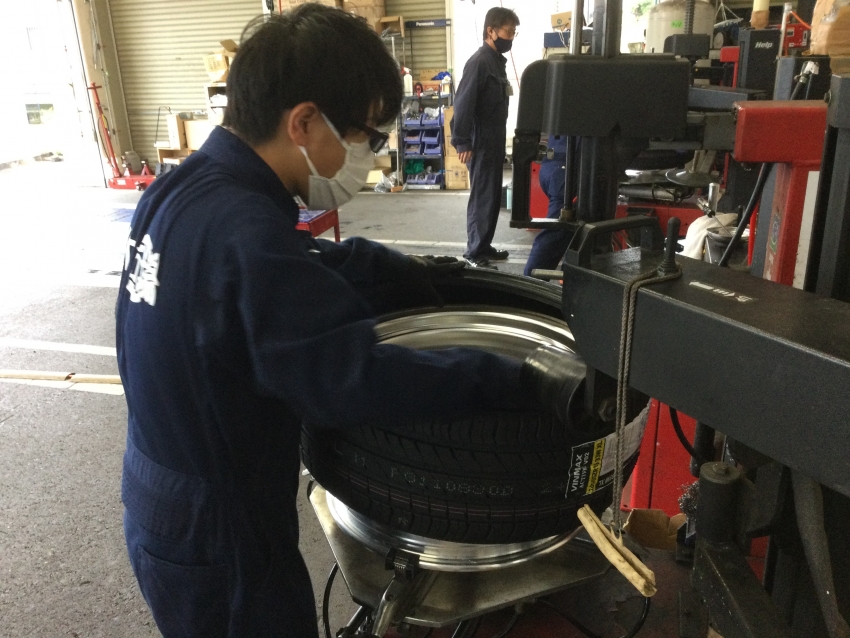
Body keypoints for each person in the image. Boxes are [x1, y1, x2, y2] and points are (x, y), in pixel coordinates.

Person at [116, 5, 579, 637]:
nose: (368, 155)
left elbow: (299, 267)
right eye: (365, 136)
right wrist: (518, 376)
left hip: (163, 494)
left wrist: (405, 272)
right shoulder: (248, 234)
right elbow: (355, 379)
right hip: (222, 533)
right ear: (304, 122)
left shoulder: (188, 188)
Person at [451, 7, 520, 269]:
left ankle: (484, 245)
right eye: (508, 32)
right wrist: (462, 140)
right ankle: (474, 252)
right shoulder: (479, 62)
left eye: (513, 33)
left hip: (493, 141)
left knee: (491, 196)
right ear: (491, 31)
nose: (510, 38)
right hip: (479, 142)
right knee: (482, 196)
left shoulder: (496, 62)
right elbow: (463, 104)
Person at [524, 135, 575, 277]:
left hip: (552, 164)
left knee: (574, 227)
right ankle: (531, 284)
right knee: (556, 232)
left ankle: (571, 274)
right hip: (565, 170)